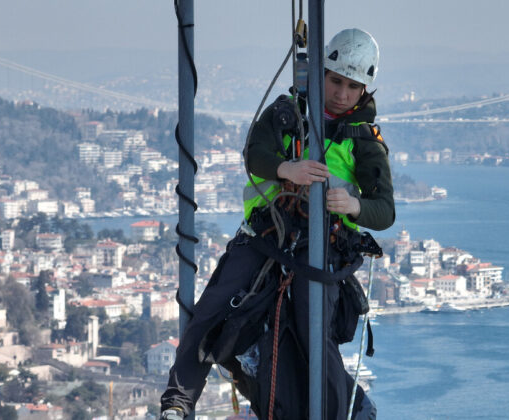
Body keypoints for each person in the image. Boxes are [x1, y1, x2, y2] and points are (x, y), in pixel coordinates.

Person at [160, 28, 394, 420]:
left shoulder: (364, 140)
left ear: (364, 92)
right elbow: (256, 154)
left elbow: (384, 210)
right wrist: (288, 169)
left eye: (352, 87)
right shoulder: (287, 113)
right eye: (336, 81)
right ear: (320, 74)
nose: (341, 94)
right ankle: (178, 402)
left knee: (311, 335)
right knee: (214, 309)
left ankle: (346, 412)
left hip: (322, 245)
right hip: (267, 234)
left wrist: (353, 206)